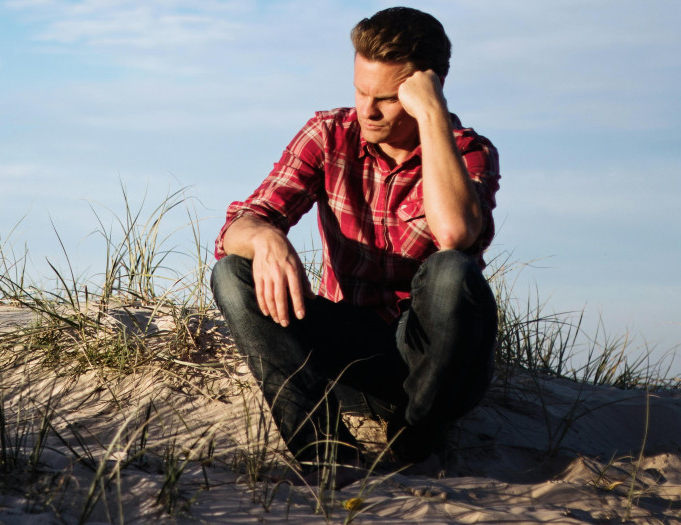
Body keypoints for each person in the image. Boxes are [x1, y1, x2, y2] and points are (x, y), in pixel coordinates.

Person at [210, 6, 500, 469]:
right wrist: (265, 238)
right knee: (231, 273)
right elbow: (240, 222)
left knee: (452, 271)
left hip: (442, 365)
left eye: (387, 97)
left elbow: (455, 234)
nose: (368, 109)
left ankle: (415, 440)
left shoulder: (468, 151)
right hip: (354, 353)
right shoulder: (329, 133)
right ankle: (325, 454)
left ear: (428, 90)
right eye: (360, 91)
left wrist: (432, 116)